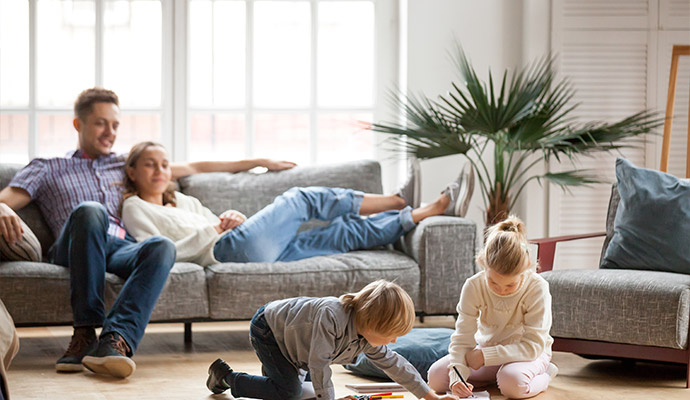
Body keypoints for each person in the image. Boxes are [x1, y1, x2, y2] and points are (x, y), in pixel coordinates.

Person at [0, 88, 295, 378]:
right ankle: (84, 332)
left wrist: (259, 162)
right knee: (91, 210)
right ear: (79, 124)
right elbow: (8, 198)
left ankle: (115, 342)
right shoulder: (48, 167)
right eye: (101, 123)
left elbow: (196, 166)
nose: (110, 132)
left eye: (115, 125)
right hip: (74, 246)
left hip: (118, 246)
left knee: (161, 246)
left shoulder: (125, 163)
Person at [119, 141, 468, 265]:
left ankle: (423, 211)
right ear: (132, 172)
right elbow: (154, 252)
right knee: (301, 198)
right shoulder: (135, 208)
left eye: (164, 164)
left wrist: (233, 216)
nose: (160, 170)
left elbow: (216, 219)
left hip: (242, 244)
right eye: (150, 164)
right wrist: (214, 230)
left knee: (341, 234)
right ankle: (395, 199)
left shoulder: (182, 200)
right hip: (225, 251)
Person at [205, 280, 459, 400]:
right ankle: (226, 377)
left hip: (296, 343)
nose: (392, 341)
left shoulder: (369, 337)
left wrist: (429, 397)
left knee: (303, 392)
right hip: (269, 330)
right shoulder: (331, 316)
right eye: (390, 334)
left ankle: (277, 376)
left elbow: (395, 365)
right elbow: (319, 365)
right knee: (290, 392)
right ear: (371, 324)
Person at [427, 216, 557, 399]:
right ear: (483, 265)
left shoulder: (537, 288)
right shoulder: (473, 285)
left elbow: (532, 346)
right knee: (435, 379)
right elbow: (462, 339)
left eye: (510, 285)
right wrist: (457, 378)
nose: (501, 291)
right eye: (493, 283)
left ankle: (544, 376)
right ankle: (495, 377)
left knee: (512, 384)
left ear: (526, 270)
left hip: (529, 354)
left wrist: (485, 356)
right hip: (487, 350)